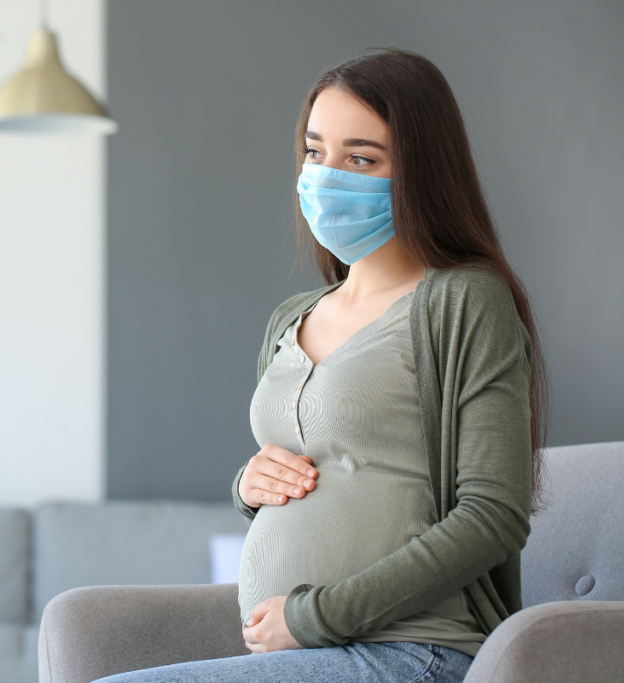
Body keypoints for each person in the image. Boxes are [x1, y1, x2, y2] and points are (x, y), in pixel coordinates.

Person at [94, 48, 547, 683]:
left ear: (421, 171)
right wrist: (250, 488)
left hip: (416, 650)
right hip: (308, 653)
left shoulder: (464, 300)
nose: (328, 175)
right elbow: (337, 472)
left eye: (361, 158)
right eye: (315, 152)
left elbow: (492, 517)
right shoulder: (292, 317)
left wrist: (315, 618)